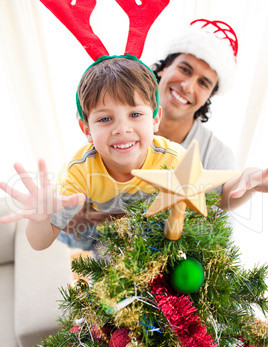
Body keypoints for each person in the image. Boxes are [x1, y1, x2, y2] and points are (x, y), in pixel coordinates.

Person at [0, 55, 267, 253]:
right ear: (87, 130)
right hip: (104, 242)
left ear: (155, 119)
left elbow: (220, 196)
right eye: (105, 119)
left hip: (155, 238)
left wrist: (249, 180)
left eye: (135, 115)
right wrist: (39, 219)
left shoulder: (173, 157)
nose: (122, 129)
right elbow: (41, 241)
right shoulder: (78, 172)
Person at [152, 20, 238, 172]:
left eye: (203, 83)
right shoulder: (115, 124)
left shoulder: (217, 158)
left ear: (209, 96)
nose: (188, 87)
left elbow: (229, 196)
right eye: (185, 69)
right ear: (164, 67)